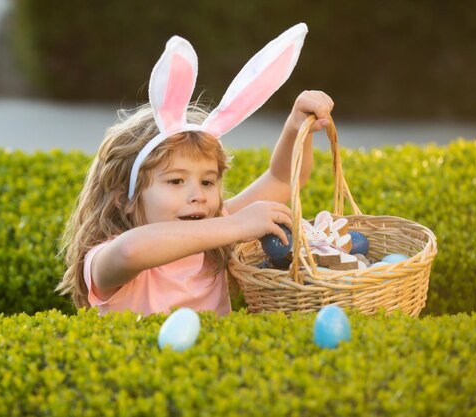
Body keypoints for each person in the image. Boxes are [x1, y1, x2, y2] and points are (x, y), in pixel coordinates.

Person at [56, 23, 333, 316]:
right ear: (124, 198)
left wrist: (295, 126)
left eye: (207, 182)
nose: (197, 195)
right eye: (176, 181)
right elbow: (131, 251)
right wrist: (236, 226)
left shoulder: (216, 230)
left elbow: (282, 179)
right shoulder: (106, 258)